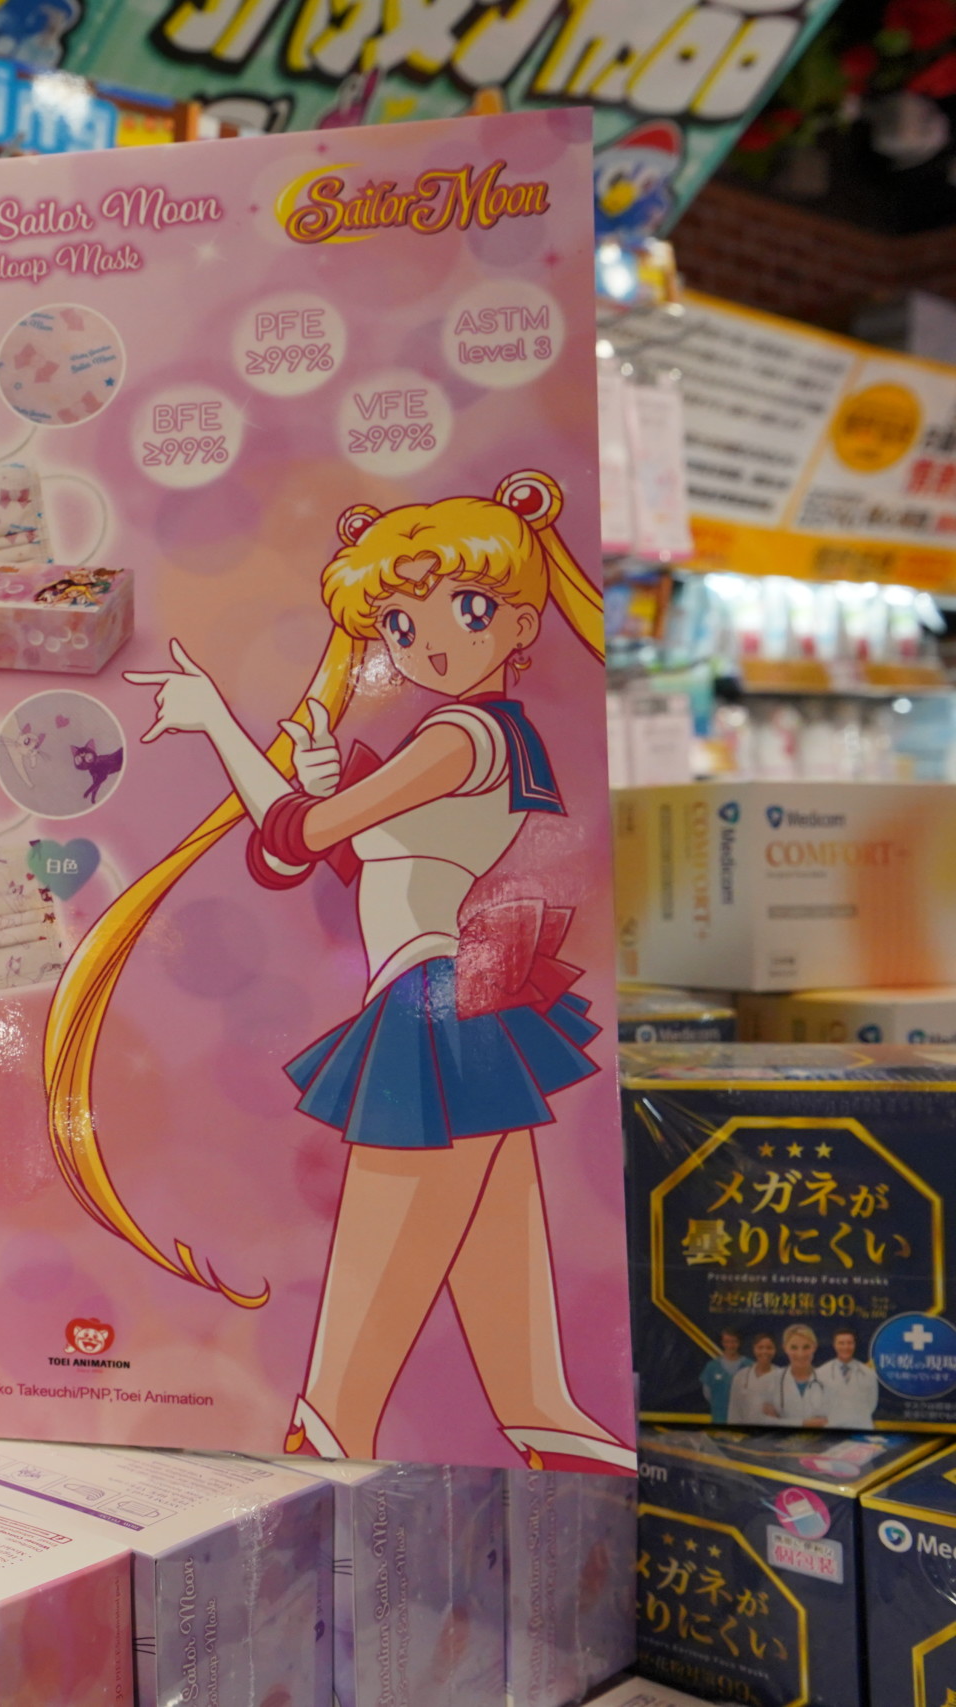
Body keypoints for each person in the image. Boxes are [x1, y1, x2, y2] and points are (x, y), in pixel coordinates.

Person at [59, 471, 628, 1470]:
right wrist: (301, 782)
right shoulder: (475, 737)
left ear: (519, 620)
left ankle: (328, 1431)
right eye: (400, 626)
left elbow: (300, 833)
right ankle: (552, 1431)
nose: (428, 642)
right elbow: (329, 853)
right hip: (459, 993)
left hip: (435, 1000)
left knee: (377, 1259)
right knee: (506, 1287)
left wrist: (224, 727)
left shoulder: (460, 735)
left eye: (462, 609)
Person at [818, 1328, 879, 1429]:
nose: (846, 1347)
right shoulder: (821, 1373)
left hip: (861, 1427)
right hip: (833, 1428)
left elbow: (872, 1403)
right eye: (841, 1343)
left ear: (854, 1345)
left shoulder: (868, 1373)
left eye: (849, 1343)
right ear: (834, 1345)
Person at [773, 1325, 832, 1425]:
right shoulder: (771, 1380)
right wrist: (804, 1423)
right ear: (785, 1348)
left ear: (814, 1347)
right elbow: (760, 1419)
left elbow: (837, 1417)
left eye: (806, 1347)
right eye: (793, 1347)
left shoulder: (829, 1380)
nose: (800, 1354)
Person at [727, 1333, 785, 1423]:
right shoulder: (741, 1376)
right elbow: (734, 1410)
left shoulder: (782, 1377)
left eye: (769, 1348)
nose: (764, 1351)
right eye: (760, 1347)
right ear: (754, 1349)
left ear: (775, 1350)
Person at [701, 1329, 747, 1423]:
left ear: (739, 1343)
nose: (730, 1345)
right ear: (722, 1343)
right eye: (727, 1342)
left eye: (734, 1342)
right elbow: (707, 1393)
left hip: (743, 1419)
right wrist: (720, 1405)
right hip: (719, 1418)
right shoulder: (712, 1366)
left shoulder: (749, 1366)